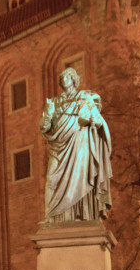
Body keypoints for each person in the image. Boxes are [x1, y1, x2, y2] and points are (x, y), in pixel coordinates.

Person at [39, 66, 112, 222]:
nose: (64, 79)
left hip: (80, 143)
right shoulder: (54, 102)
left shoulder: (84, 97)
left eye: (67, 76)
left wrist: (95, 122)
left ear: (73, 79)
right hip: (59, 146)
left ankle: (84, 215)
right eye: (62, 77)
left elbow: (97, 120)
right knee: (51, 179)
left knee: (81, 177)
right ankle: (52, 216)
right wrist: (48, 114)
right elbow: (44, 127)